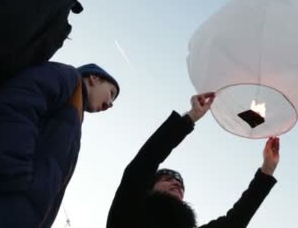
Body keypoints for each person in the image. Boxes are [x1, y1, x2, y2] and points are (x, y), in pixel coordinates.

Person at [0, 62, 119, 228]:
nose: (110, 104)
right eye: (111, 93)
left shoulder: (74, 117)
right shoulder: (67, 78)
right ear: (94, 78)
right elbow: (15, 107)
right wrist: (11, 177)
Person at [107, 92, 280, 228]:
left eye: (180, 184)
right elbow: (145, 162)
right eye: (167, 179)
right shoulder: (129, 213)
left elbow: (235, 221)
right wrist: (190, 117)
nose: (177, 184)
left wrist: (266, 171)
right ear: (148, 188)